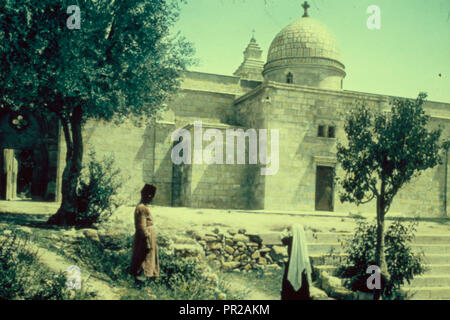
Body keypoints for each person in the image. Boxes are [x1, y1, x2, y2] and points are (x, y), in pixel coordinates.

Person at [130, 184, 159, 283]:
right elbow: (141, 226)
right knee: (144, 261)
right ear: (149, 196)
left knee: (147, 260)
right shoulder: (142, 208)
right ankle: (139, 285)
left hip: (146, 238)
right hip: (144, 239)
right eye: (151, 197)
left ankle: (143, 283)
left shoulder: (143, 207)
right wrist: (147, 241)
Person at [281, 224, 312, 300]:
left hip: (291, 265)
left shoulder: (290, 240)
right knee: (302, 285)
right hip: (302, 267)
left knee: (289, 287)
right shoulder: (302, 241)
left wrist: (286, 229)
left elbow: (281, 237)